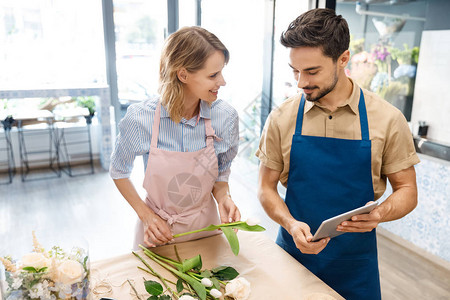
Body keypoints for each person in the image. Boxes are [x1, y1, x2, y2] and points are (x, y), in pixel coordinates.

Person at [255, 8, 419, 300]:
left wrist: (379, 213)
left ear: (343, 59)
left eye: (312, 71)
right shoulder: (281, 118)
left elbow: (407, 190)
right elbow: (265, 188)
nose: (300, 82)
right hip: (293, 256)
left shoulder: (387, 119)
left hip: (355, 268)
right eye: (295, 70)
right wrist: (291, 225)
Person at [110, 26, 241, 250]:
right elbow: (119, 171)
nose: (222, 81)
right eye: (213, 75)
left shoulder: (225, 117)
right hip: (157, 233)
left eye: (221, 72)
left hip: (206, 231)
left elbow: (221, 172)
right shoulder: (141, 118)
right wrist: (147, 216)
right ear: (183, 74)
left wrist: (223, 197)